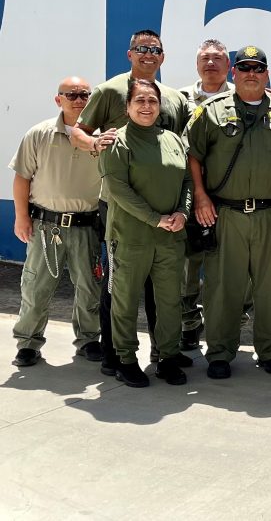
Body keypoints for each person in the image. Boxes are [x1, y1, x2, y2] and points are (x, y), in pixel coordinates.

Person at [69, 29, 190, 375]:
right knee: (119, 287)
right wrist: (95, 144)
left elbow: (179, 151)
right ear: (130, 53)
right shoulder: (109, 91)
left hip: (167, 215)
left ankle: (164, 353)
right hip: (120, 209)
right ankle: (116, 355)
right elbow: (78, 131)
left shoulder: (173, 98)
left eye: (155, 49)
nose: (148, 54)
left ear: (162, 57)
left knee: (162, 290)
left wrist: (179, 211)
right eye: (141, 48)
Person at [186, 46, 271, 379]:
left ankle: (270, 351)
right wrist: (201, 197)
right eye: (244, 67)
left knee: (269, 288)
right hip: (225, 214)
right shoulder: (211, 111)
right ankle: (220, 352)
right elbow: (192, 154)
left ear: (267, 73)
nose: (251, 73)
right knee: (223, 287)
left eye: (258, 67)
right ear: (234, 72)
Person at [99, 80, 192, 387]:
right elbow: (118, 190)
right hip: (129, 238)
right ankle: (125, 360)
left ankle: (167, 357)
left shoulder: (173, 140)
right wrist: (155, 218)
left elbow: (187, 182)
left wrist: (182, 212)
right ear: (128, 107)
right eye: (139, 100)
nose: (147, 106)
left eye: (152, 101)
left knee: (169, 301)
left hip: (169, 238)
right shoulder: (117, 142)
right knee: (124, 301)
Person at [9, 77, 103, 367]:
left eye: (84, 94)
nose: (78, 99)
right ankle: (28, 343)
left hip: (86, 226)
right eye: (71, 94)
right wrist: (21, 217)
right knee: (36, 287)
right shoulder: (39, 133)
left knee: (89, 287)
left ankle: (88, 339)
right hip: (45, 227)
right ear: (58, 99)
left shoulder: (101, 138)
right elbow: (22, 177)